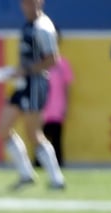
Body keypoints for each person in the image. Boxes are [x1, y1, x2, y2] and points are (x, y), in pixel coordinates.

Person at [0, 0, 65, 190]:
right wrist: (16, 71)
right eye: (24, 3)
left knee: (34, 133)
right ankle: (26, 174)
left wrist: (26, 70)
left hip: (35, 84)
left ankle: (56, 178)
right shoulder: (28, 25)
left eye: (30, 3)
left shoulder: (44, 27)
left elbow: (52, 59)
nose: (26, 7)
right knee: (3, 128)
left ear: (39, 3)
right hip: (22, 83)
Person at [37, 32, 71, 167]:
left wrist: (65, 105)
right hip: (42, 107)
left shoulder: (63, 63)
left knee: (56, 139)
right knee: (40, 136)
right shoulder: (40, 63)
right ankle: (39, 163)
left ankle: (58, 164)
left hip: (57, 107)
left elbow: (67, 86)